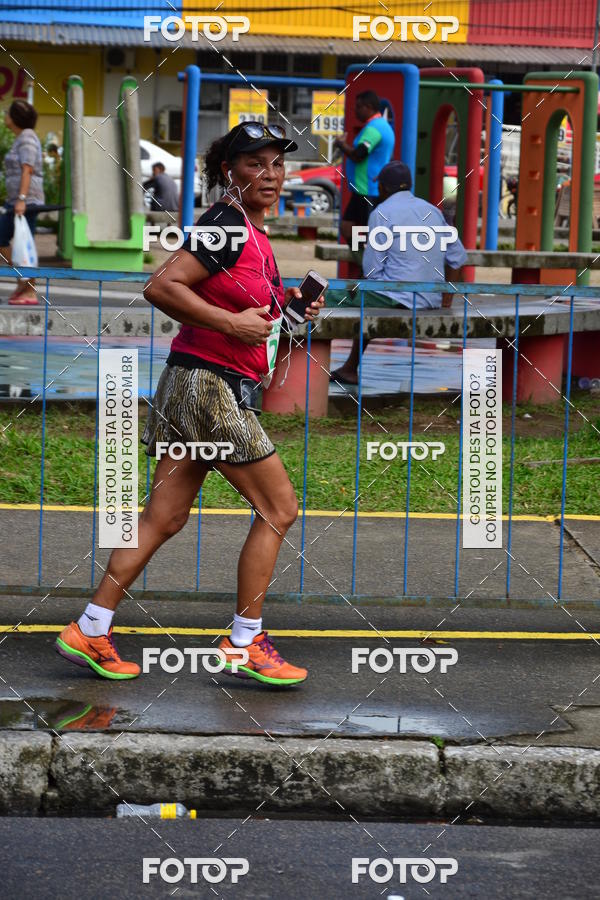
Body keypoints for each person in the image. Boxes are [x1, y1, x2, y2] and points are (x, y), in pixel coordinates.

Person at [55, 121, 325, 686]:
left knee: (164, 516)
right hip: (207, 388)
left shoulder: (248, 232)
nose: (270, 174)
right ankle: (245, 642)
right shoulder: (225, 224)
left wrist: (292, 308)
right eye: (255, 163)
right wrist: (231, 322)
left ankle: (90, 627)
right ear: (228, 171)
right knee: (279, 509)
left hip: (191, 385)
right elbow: (161, 286)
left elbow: (254, 317)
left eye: (277, 163)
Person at [329, 161, 468, 384]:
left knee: (327, 295)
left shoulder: (381, 213)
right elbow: (458, 257)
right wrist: (446, 296)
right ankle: (349, 368)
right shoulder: (433, 210)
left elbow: (373, 271)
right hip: (430, 299)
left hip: (398, 297)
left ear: (383, 188)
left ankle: (305, 360)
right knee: (369, 296)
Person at [334, 90, 395, 244]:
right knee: (347, 227)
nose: (354, 110)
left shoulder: (375, 128)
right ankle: (362, 258)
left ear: (368, 107)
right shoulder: (376, 126)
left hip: (369, 190)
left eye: (358, 107)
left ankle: (368, 260)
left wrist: (341, 145)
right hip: (361, 189)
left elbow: (358, 154)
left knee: (369, 233)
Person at [0, 99, 44, 305]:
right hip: (17, 200)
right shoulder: (21, 138)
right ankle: (24, 284)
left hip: (25, 201)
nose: (5, 116)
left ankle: (28, 288)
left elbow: (28, 169)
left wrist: (21, 199)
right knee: (20, 244)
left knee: (20, 244)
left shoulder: (26, 137)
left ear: (16, 117)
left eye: (8, 113)